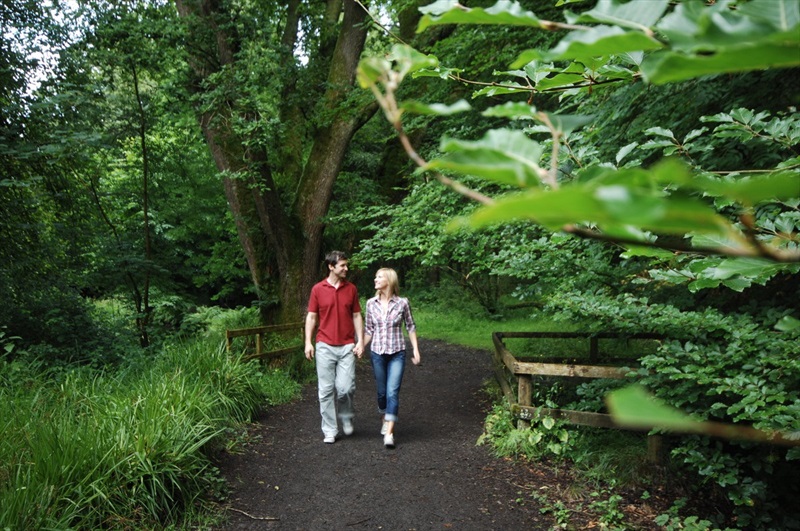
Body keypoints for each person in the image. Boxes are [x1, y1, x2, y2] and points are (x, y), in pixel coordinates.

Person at [305, 251, 364, 444]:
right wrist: (308, 342)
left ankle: (346, 415)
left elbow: (356, 315)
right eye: (342, 266)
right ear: (331, 266)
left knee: (345, 388)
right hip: (324, 345)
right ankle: (330, 430)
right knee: (326, 390)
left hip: (347, 346)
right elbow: (312, 317)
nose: (346, 268)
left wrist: (360, 341)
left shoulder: (351, 289)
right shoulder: (318, 289)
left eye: (346, 265)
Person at [364, 267, 421, 449]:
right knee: (382, 394)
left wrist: (416, 350)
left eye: (379, 277)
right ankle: (385, 418)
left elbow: (410, 326)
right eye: (376, 276)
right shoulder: (370, 303)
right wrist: (359, 346)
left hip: (397, 353)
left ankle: (389, 433)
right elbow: (368, 330)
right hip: (377, 353)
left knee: (392, 392)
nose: (375, 279)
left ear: (389, 280)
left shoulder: (402, 303)